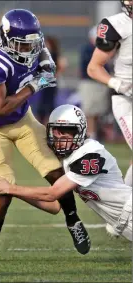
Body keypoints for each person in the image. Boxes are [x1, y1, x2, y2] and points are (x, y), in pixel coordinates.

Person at [0, 9, 90, 262]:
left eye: (31, 44)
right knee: (3, 191)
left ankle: (73, 221)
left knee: (57, 172)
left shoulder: (31, 43)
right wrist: (35, 84)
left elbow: (41, 46)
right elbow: (0, 108)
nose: (28, 50)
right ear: (6, 40)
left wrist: (46, 61)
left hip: (23, 120)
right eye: (22, 45)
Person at [0, 104, 132, 242]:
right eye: (57, 131)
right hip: (124, 223)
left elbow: (52, 194)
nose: (60, 137)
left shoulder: (91, 154)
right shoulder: (69, 158)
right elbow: (54, 206)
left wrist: (10, 188)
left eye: (66, 131)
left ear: (79, 132)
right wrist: (13, 191)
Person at [87, 0, 132, 237]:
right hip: (127, 100)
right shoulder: (116, 25)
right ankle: (123, 215)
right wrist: (117, 83)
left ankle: (121, 213)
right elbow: (94, 67)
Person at [79, 26, 109, 140]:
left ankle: (94, 133)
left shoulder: (103, 49)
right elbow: (91, 67)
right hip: (90, 83)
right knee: (89, 111)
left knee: (97, 111)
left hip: (100, 83)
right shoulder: (87, 49)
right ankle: (91, 135)